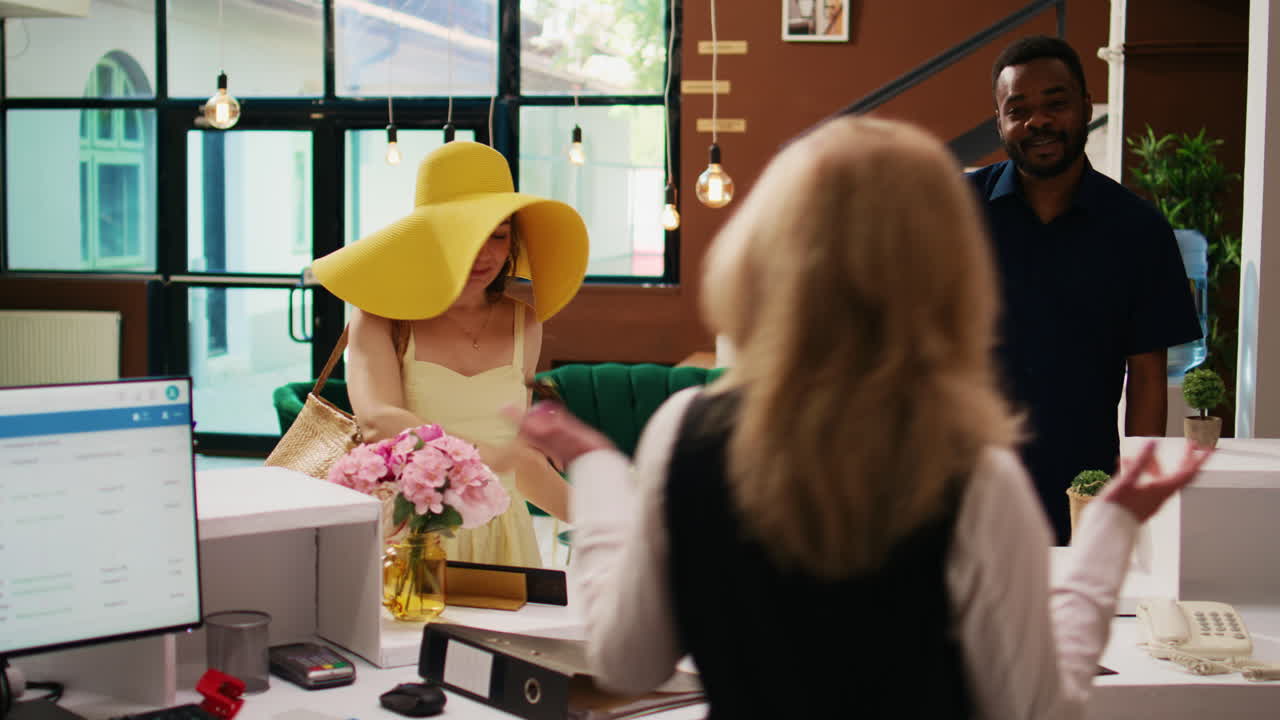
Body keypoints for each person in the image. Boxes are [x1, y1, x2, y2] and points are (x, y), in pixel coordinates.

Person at [505, 115, 1213, 718]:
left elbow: (627, 662)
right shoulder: (971, 474)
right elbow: (1033, 707)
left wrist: (598, 470)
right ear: (948, 273)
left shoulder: (684, 431)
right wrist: (1111, 530)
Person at [968, 35, 1203, 545]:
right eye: (1019, 109)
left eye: (1055, 103)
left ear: (1085, 106)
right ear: (1000, 122)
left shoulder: (1139, 230)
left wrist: (1136, 497)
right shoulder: (956, 211)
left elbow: (1146, 377)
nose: (1039, 122)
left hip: (1084, 487)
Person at [311, 140, 589, 567]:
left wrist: (616, 522)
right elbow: (379, 422)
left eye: (499, 236)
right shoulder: (382, 317)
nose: (486, 255)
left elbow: (520, 466)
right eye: (468, 237)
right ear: (429, 238)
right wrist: (490, 456)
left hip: (503, 535)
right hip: (415, 535)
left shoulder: (525, 324)